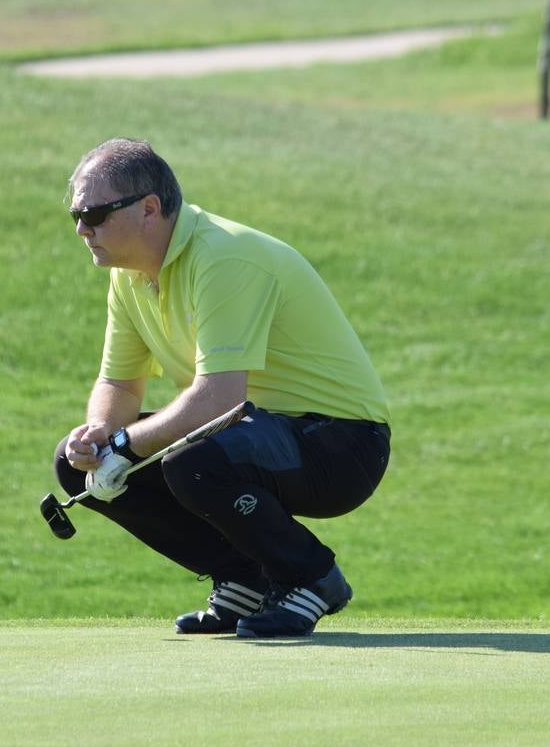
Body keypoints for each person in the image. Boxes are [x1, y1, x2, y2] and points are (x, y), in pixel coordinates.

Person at [53, 138, 391, 638]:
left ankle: (312, 577)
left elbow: (219, 397)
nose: (83, 228)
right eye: (77, 215)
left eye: (97, 213)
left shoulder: (223, 257)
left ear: (149, 209)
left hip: (342, 444)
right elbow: (120, 382)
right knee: (75, 464)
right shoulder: (130, 277)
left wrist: (125, 445)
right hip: (255, 433)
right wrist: (101, 434)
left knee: (192, 461)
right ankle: (243, 576)